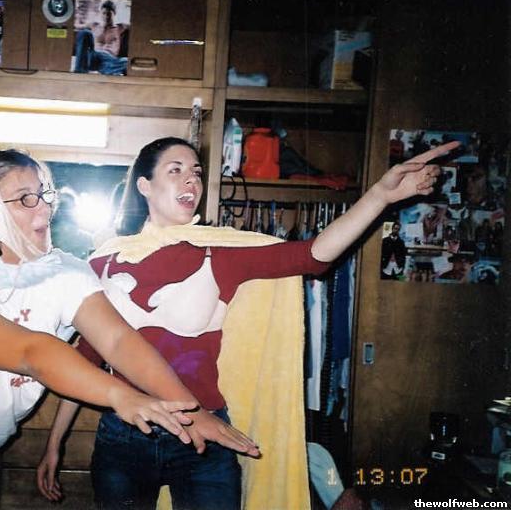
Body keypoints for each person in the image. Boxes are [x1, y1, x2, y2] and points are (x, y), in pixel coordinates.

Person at [37, 137, 456, 510]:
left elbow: (314, 254)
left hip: (204, 436)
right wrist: (54, 444)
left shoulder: (221, 251)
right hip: (126, 435)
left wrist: (380, 196)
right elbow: (87, 360)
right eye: (175, 170)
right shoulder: (103, 262)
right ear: (144, 185)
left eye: (196, 172)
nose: (191, 180)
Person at [0, 150, 258, 509]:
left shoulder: (61, 271)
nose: (45, 209)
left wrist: (189, 409)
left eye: (44, 194)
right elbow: (31, 352)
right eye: (25, 199)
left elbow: (118, 339)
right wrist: (121, 395)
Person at [73, 0, 129, 75]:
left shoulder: (120, 27)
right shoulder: (94, 25)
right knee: (84, 33)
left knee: (126, 61)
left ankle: (109, 70)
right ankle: (80, 70)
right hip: (93, 56)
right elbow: (76, 26)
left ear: (114, 13)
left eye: (109, 14)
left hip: (109, 59)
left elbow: (137, 25)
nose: (106, 16)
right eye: (104, 13)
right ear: (100, 13)